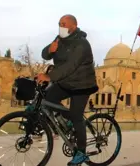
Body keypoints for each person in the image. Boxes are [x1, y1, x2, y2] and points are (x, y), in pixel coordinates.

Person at [36, 14, 98, 166]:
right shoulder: (59, 39)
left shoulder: (82, 44)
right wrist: (49, 50)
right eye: (59, 23)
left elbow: (70, 66)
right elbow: (45, 54)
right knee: (48, 99)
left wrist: (49, 76)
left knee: (77, 117)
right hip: (66, 82)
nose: (60, 26)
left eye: (64, 23)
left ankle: (81, 153)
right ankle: (68, 121)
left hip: (82, 85)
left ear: (73, 27)